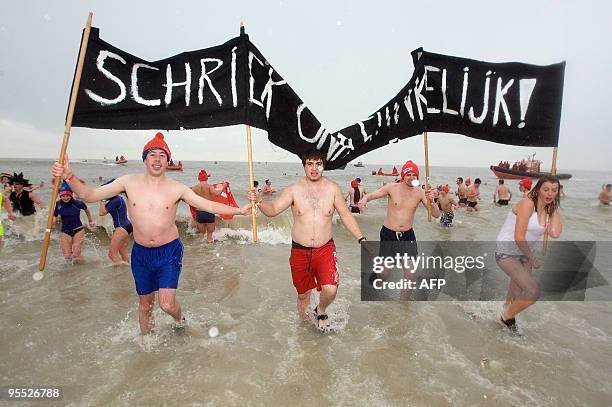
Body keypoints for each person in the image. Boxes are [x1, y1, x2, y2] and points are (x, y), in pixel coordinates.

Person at [52, 132, 253, 335]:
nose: (157, 159)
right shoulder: (127, 182)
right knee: (145, 305)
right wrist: (69, 176)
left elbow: (208, 205)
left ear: (167, 160)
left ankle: (180, 320)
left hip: (169, 252)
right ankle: (146, 346)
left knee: (166, 304)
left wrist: (238, 211)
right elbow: (90, 195)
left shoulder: (177, 188)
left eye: (162, 155)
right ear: (145, 158)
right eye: (152, 154)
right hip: (140, 253)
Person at [251, 149, 366, 332]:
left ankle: (320, 309)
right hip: (299, 251)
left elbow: (345, 215)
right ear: (304, 166)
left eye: (318, 164)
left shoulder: (332, 189)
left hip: (325, 248)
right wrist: (258, 201)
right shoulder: (293, 190)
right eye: (310, 164)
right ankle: (304, 331)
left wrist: (361, 238)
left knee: (330, 289)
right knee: (303, 295)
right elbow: (272, 210)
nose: (314, 168)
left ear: (323, 165)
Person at [495, 175, 562, 336]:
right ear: (538, 189)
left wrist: (554, 209)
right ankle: (507, 318)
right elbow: (519, 236)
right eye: (546, 189)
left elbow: (554, 233)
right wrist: (531, 257)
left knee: (516, 296)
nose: (550, 193)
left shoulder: (549, 209)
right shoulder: (527, 203)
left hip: (523, 254)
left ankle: (499, 324)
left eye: (554, 190)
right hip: (507, 250)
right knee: (533, 292)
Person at [358, 161, 439, 292]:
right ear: (403, 175)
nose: (412, 177)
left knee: (410, 274)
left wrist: (433, 201)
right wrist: (364, 200)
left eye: (414, 175)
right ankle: (375, 277)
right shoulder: (392, 188)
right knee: (384, 274)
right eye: (408, 174)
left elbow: (435, 214)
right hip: (389, 234)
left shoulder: (421, 193)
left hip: (408, 236)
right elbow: (373, 195)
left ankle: (404, 307)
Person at [53, 182, 95, 264]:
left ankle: (83, 269)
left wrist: (90, 220)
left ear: (71, 194)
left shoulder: (77, 203)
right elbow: (55, 215)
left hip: (78, 230)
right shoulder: (58, 204)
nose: (65, 198)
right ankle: (72, 274)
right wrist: (53, 221)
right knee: (67, 257)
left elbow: (87, 210)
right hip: (64, 232)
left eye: (67, 195)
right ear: (60, 195)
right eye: (63, 196)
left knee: (76, 255)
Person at [99, 178, 132, 265]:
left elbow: (101, 212)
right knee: (122, 250)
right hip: (127, 226)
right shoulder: (116, 199)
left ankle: (119, 272)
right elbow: (104, 211)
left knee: (111, 254)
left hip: (121, 227)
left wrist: (102, 200)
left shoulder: (115, 200)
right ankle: (127, 269)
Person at [191, 169, 223, 243]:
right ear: (207, 178)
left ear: (198, 178)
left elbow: (188, 198)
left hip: (199, 212)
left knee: (202, 236)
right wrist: (223, 187)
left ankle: (202, 252)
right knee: (209, 235)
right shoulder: (209, 187)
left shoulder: (194, 188)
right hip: (209, 211)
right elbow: (217, 194)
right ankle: (209, 251)